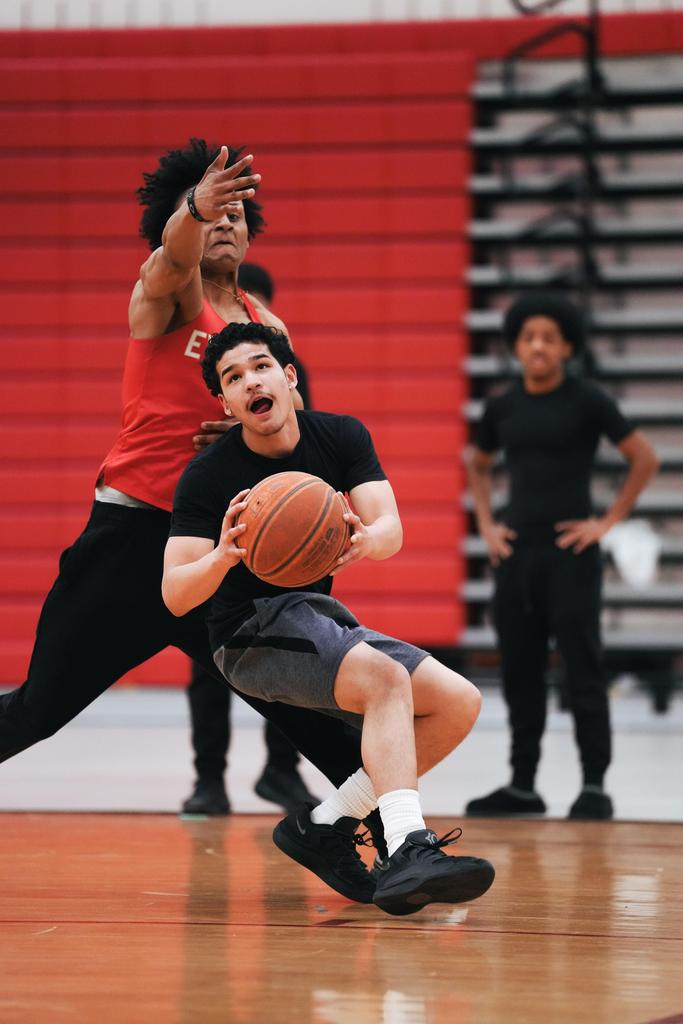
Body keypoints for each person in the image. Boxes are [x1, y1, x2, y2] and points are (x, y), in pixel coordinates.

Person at [0, 139, 381, 875]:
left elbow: (295, 434)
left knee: (315, 712)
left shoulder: (269, 328)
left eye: (235, 212)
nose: (223, 222)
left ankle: (389, 846)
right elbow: (169, 257)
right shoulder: (168, 291)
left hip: (225, 549)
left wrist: (250, 436)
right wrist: (194, 208)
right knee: (37, 710)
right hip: (133, 541)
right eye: (209, 212)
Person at [162, 321, 495, 916]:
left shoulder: (340, 435)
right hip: (246, 634)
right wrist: (223, 556)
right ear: (226, 404)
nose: (250, 381)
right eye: (233, 378)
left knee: (458, 701)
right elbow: (175, 595)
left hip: (315, 614)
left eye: (261, 366)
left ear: (288, 377)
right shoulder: (209, 475)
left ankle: (324, 825)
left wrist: (366, 540)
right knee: (386, 681)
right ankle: (408, 846)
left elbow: (390, 528)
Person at [464, 293, 659, 821]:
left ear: (567, 347)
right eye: (529, 338)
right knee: (521, 671)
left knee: (583, 669)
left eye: (549, 338)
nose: (538, 346)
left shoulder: (588, 400)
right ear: (516, 346)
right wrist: (486, 525)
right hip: (516, 555)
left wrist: (606, 523)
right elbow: (478, 464)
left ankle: (594, 785)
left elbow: (643, 458)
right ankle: (522, 786)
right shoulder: (503, 407)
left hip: (572, 555)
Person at [182, 262, 320, 816]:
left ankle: (282, 770)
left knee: (299, 657)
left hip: (284, 532)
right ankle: (208, 779)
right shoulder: (200, 366)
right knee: (207, 662)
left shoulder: (285, 371)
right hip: (218, 528)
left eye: (255, 309)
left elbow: (307, 433)